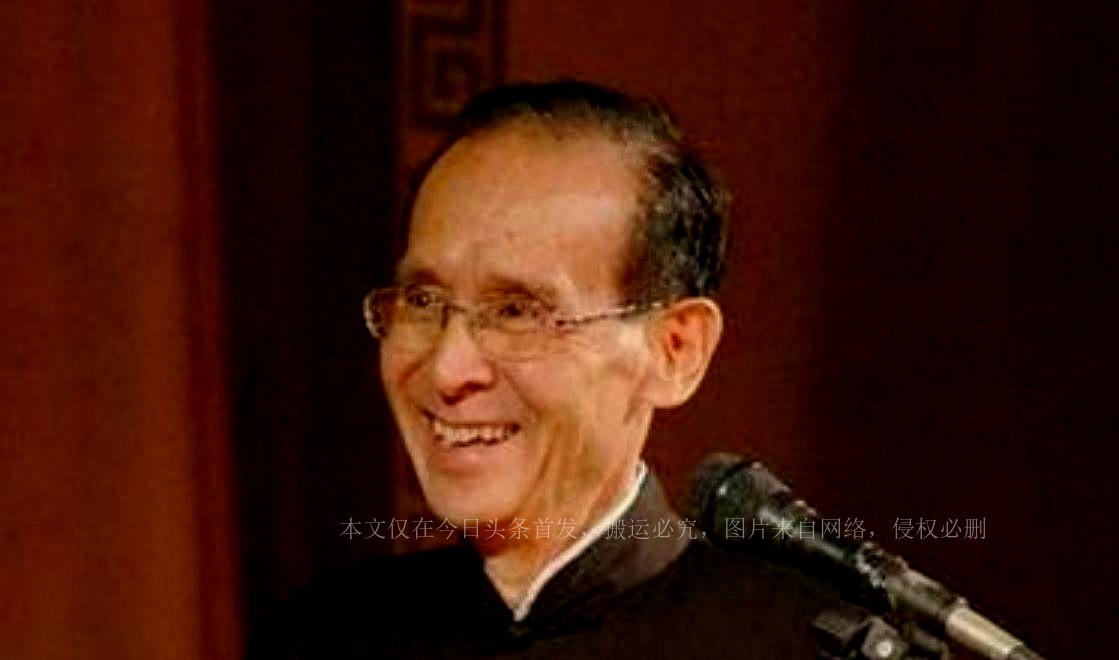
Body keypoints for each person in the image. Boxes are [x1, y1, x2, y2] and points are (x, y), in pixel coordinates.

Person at [249, 80, 851, 659]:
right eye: (424, 301)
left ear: (675, 350)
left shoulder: (809, 643)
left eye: (517, 311)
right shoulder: (317, 640)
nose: (447, 369)